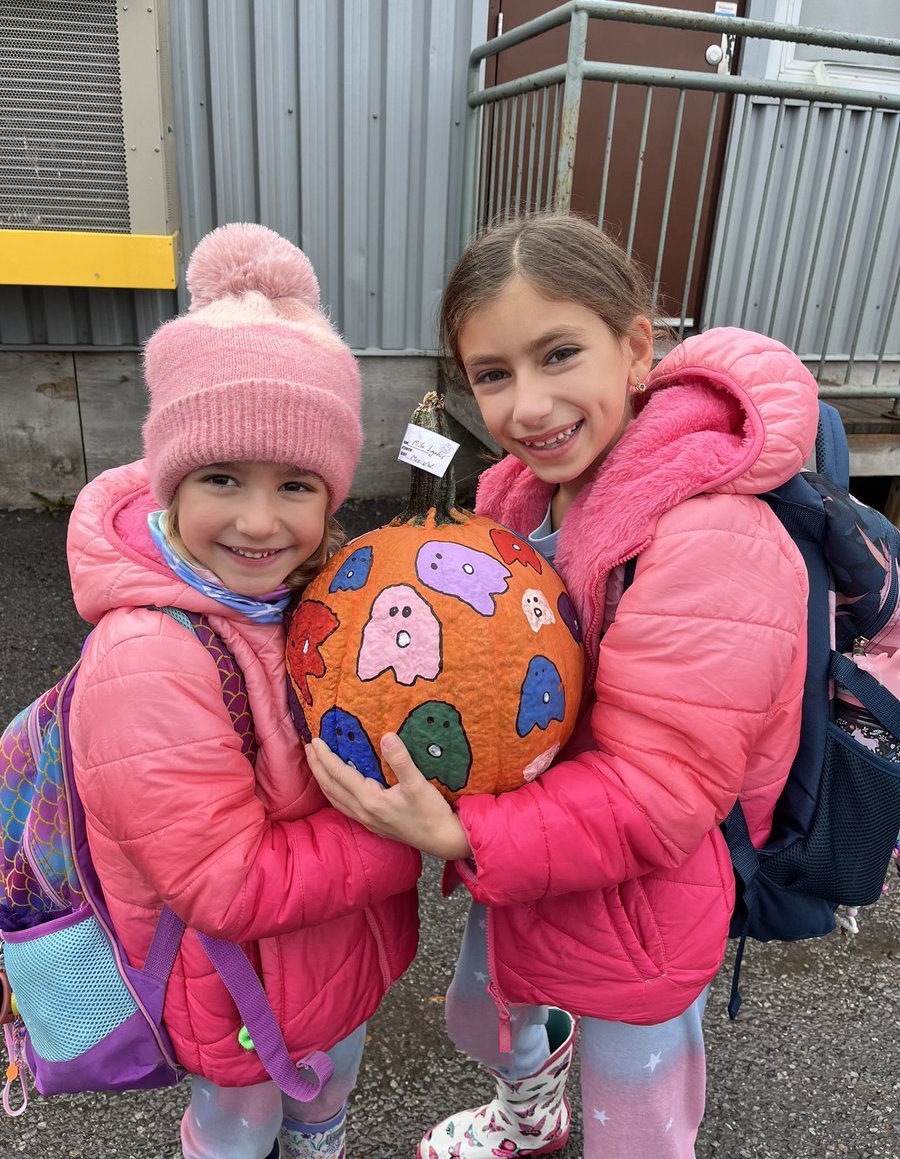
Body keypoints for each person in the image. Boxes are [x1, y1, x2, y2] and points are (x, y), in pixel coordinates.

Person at [306, 212, 820, 1159]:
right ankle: (531, 1119)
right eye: (494, 374)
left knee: (637, 1105)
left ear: (636, 349)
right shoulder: (514, 500)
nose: (530, 405)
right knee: (488, 1009)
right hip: (533, 847)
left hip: (644, 890)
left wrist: (464, 834)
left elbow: (660, 793)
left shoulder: (713, 540)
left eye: (558, 355)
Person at [65, 223, 421, 1159]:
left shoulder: (322, 601)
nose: (260, 522)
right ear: (171, 483)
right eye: (222, 477)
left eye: (296, 485)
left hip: (334, 961)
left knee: (325, 1099)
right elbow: (225, 880)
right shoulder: (146, 657)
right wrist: (406, 836)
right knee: (239, 1127)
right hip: (231, 988)